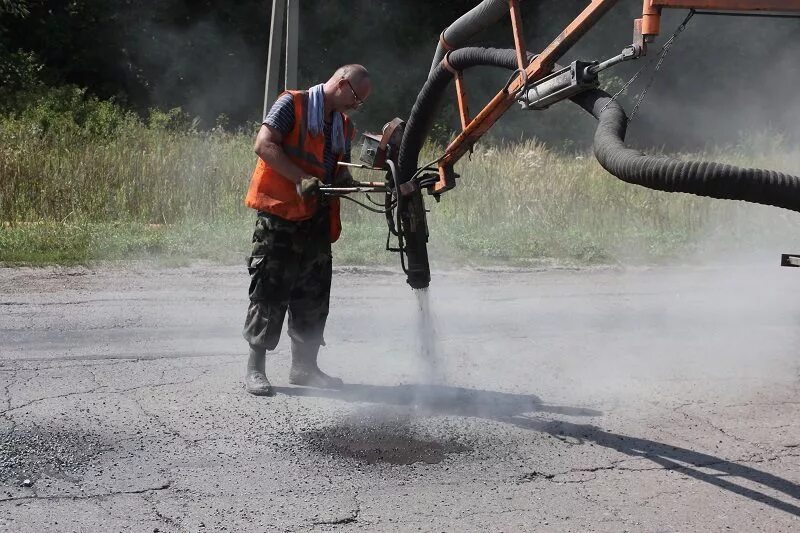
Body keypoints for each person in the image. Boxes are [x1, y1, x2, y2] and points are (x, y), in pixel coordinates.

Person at [242, 64, 371, 396]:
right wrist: (301, 179)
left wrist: (348, 183)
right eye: (356, 98)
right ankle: (255, 369)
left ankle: (304, 368)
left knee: (313, 294)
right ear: (341, 84)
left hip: (316, 218)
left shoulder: (343, 125)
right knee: (269, 291)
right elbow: (264, 145)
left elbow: (337, 168)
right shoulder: (292, 104)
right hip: (280, 216)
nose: (356, 106)